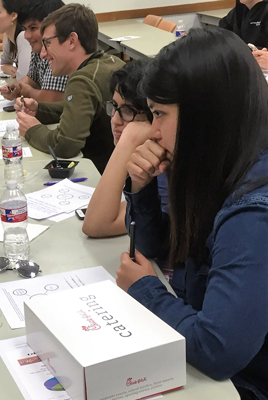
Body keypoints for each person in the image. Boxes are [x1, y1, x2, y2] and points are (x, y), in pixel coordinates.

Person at [117, 28, 268, 400]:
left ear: (205, 115)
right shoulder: (221, 160)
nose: (152, 132)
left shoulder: (253, 214)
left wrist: (146, 290)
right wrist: (141, 185)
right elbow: (158, 246)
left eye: (159, 115)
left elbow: (218, 350)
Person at [15, 3, 124, 172]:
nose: (43, 54)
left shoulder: (83, 80)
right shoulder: (108, 62)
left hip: (99, 173)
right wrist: (40, 109)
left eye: (48, 43)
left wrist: (31, 129)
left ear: (72, 40)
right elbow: (78, 109)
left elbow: (65, 144)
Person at [82, 60, 161, 238]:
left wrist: (129, 141)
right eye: (114, 107)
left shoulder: (163, 171)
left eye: (128, 111)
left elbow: (96, 225)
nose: (115, 120)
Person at [0, 0, 67, 102]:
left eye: (33, 28)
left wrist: (28, 91)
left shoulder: (61, 53)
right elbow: (32, 78)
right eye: (25, 29)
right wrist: (16, 88)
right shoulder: (38, 48)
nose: (26, 36)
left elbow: (50, 99)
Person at [0, 0, 31, 79]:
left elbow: (23, 79)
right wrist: (14, 71)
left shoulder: (23, 37)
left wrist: (19, 73)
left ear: (13, 16)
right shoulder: (9, 37)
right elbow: (4, 64)